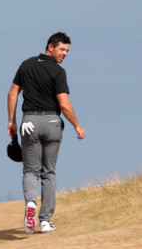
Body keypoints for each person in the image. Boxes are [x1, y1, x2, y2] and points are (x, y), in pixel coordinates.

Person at [7, 32, 86, 234]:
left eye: (67, 51)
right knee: (48, 172)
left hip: (29, 123)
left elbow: (13, 93)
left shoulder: (26, 65)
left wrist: (12, 121)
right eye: (62, 49)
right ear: (50, 47)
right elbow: (64, 104)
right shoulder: (58, 72)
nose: (65, 54)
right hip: (52, 122)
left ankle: (31, 204)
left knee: (30, 170)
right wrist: (77, 125)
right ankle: (45, 220)